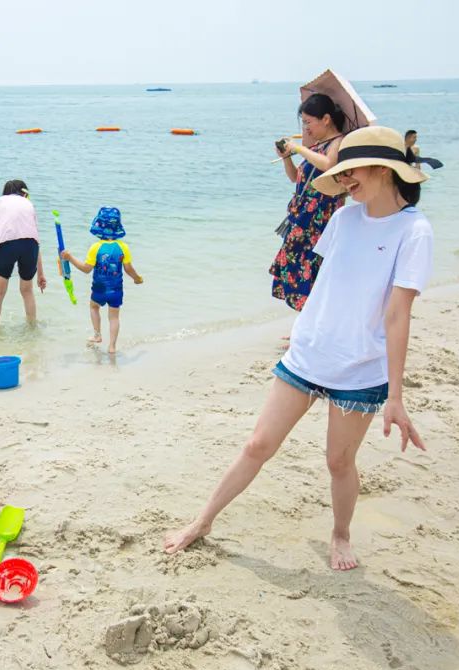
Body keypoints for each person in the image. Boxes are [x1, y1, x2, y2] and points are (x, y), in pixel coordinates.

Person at [164, 127, 432, 571]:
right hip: (308, 354)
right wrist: (304, 324)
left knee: (338, 462)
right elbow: (326, 282)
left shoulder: (415, 231)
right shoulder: (344, 217)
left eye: (352, 172)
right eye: (341, 173)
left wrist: (397, 397)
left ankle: (341, 534)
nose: (344, 181)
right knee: (257, 445)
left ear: (385, 170)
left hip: (359, 368)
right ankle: (202, 522)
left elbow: (398, 314)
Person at [271, 93, 345, 312]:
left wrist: (299, 148)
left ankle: (309, 322)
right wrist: (287, 157)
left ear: (326, 119)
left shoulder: (338, 142)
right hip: (302, 214)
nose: (306, 128)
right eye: (303, 123)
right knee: (294, 263)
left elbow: (329, 165)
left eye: (308, 122)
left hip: (321, 216)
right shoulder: (316, 146)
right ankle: (306, 321)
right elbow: (297, 178)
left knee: (312, 267)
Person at [61, 207, 143, 354]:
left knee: (93, 307)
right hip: (116, 290)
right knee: (114, 317)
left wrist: (70, 258)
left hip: (99, 289)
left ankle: (97, 335)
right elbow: (128, 268)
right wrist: (137, 278)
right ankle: (112, 346)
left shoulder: (95, 247)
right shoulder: (123, 247)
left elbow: (86, 269)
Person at [0, 180, 46, 323]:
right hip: (30, 245)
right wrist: (41, 273)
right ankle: (32, 327)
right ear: (24, 193)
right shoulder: (29, 204)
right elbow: (35, 238)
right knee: (27, 290)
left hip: (6, 244)